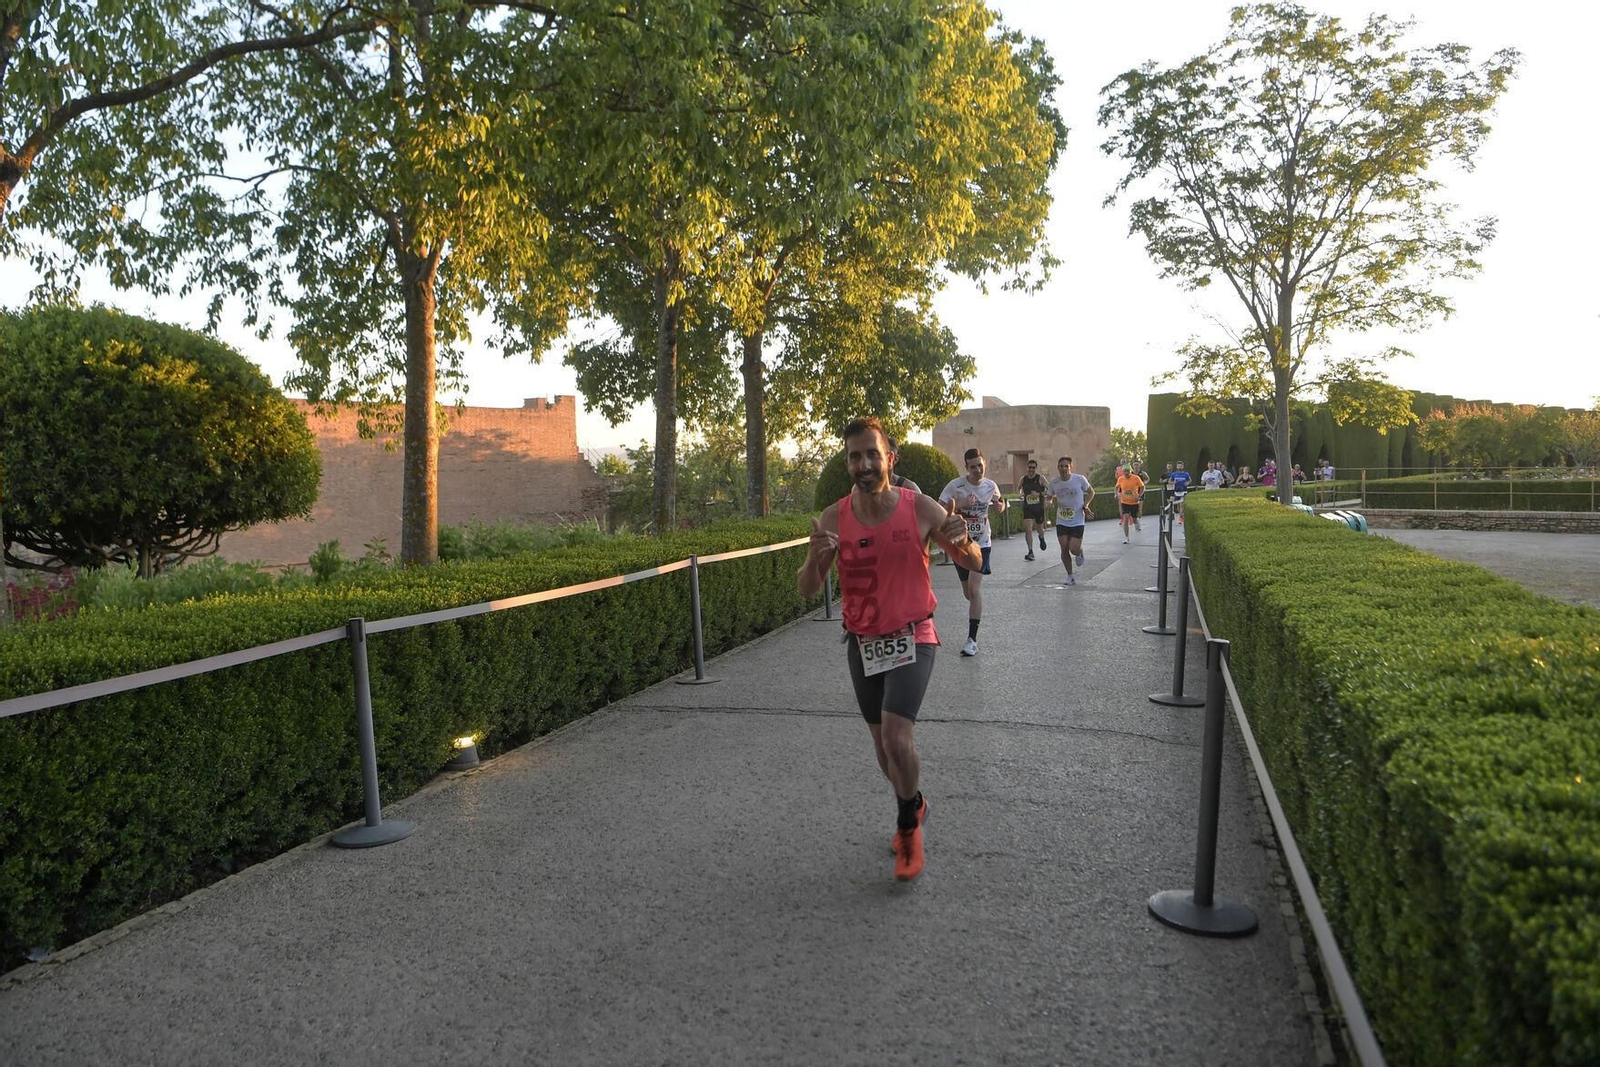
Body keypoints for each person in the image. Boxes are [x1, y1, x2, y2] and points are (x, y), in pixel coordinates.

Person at [798, 416, 978, 882]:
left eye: (872, 454)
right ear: (847, 462)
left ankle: (906, 830)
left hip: (913, 634)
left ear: (889, 458)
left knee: (899, 738)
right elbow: (805, 588)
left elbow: (971, 558)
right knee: (884, 750)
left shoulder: (919, 508)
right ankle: (914, 802)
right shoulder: (836, 517)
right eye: (855, 456)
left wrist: (964, 543)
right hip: (863, 643)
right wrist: (817, 561)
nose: (863, 463)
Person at [939, 447, 1005, 657]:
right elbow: (938, 509)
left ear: (984, 464)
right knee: (968, 593)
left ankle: (972, 640)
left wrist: (999, 508)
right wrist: (960, 504)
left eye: (980, 466)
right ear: (966, 468)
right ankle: (974, 617)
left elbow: (1000, 503)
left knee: (975, 591)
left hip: (982, 544)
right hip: (960, 545)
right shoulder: (955, 486)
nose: (978, 470)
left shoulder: (990, 486)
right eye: (973, 467)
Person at [1049, 456, 1095, 583]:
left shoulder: (1079, 479)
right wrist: (1049, 502)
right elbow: (1049, 496)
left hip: (1077, 519)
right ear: (1058, 468)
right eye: (1061, 466)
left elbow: (1091, 492)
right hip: (1062, 519)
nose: (1063, 468)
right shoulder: (1054, 482)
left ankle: (1079, 553)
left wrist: (1085, 506)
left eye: (1066, 466)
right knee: (1064, 547)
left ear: (1071, 467)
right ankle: (1070, 576)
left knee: (1073, 548)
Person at [1018, 458, 1050, 561]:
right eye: (1029, 467)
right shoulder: (1023, 479)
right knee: (1028, 529)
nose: (1031, 469)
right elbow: (1019, 488)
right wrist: (1021, 494)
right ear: (1027, 468)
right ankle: (1030, 551)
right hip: (1028, 507)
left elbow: (1049, 489)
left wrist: (1039, 494)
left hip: (1038, 508)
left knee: (1039, 529)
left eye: (1033, 468)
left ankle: (1041, 538)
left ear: (1036, 468)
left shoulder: (1041, 478)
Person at [1114, 462, 1144, 544]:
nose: (1126, 473)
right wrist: (1116, 494)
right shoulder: (1120, 479)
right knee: (1126, 518)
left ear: (1130, 471)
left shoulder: (1136, 478)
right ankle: (1126, 538)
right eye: (1124, 471)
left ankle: (1137, 522)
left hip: (1134, 502)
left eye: (1127, 471)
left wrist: (1140, 495)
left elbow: (1142, 486)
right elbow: (1116, 487)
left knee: (1134, 520)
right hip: (1124, 502)